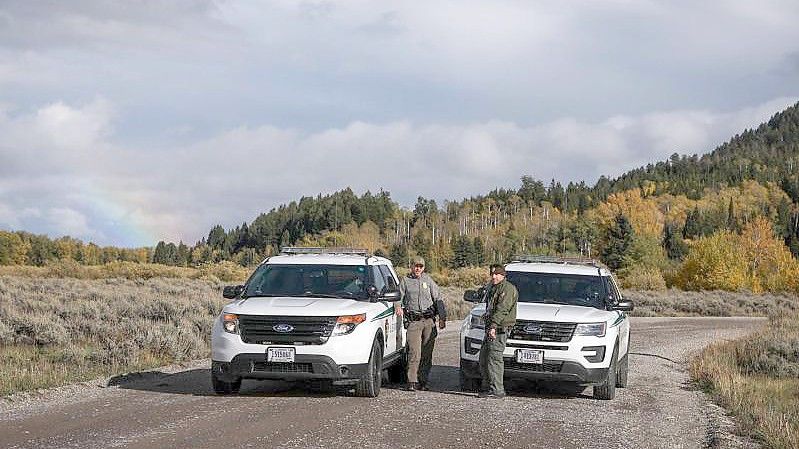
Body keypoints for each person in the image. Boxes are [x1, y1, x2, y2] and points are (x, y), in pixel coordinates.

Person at [398, 256, 446, 391]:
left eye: (421, 266)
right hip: (414, 322)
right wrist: (397, 306)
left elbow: (438, 298)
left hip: (429, 322)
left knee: (426, 353)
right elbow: (398, 297)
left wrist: (442, 317)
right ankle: (412, 380)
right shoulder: (405, 281)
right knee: (414, 352)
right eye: (416, 266)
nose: (418, 268)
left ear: (423, 268)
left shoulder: (428, 280)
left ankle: (423, 380)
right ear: (411, 267)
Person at [478, 264, 518, 399]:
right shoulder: (493, 288)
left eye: (497, 274)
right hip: (491, 327)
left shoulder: (507, 289)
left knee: (494, 358)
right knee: (484, 357)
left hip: (500, 328)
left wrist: (494, 325)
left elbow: (503, 309)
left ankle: (497, 390)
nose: (493, 276)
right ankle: (487, 386)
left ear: (503, 275)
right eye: (492, 274)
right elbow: (491, 306)